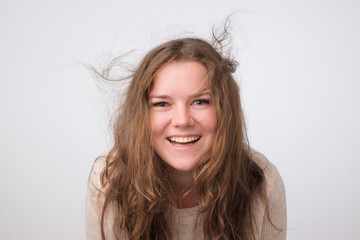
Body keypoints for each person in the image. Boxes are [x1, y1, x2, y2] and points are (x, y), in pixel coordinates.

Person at [85, 35, 287, 240]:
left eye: (200, 102)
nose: (182, 120)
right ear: (140, 115)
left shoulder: (263, 181)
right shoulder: (109, 179)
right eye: (161, 104)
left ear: (225, 110)